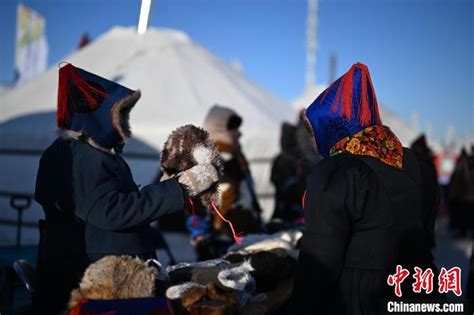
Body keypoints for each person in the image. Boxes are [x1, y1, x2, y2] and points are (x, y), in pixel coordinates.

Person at [33, 63, 218, 314]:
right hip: (102, 284)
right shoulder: (80, 154)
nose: (123, 122)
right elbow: (110, 211)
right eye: (119, 114)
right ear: (97, 115)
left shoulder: (91, 152)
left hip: (114, 277)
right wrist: (179, 189)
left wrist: (164, 187)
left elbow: (111, 201)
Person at [290, 63, 441, 314]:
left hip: (364, 299)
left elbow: (319, 264)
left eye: (316, 133)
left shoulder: (337, 171)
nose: (315, 143)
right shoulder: (417, 164)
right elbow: (425, 234)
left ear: (332, 128)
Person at [186, 105, 262, 260]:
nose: (239, 133)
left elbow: (245, 195)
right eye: (233, 128)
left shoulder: (236, 157)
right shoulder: (206, 159)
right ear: (220, 128)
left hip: (245, 235)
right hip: (221, 238)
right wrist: (201, 236)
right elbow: (195, 202)